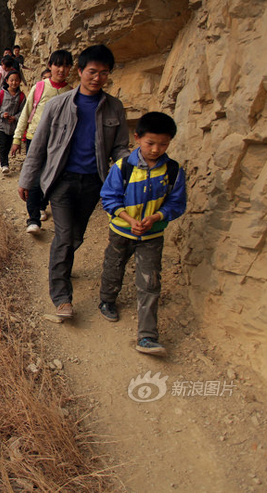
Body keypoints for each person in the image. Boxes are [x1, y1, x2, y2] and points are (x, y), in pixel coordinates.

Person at [17, 44, 129, 319]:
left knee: (76, 236)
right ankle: (62, 298)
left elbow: (120, 148)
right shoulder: (57, 105)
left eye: (104, 73)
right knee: (65, 237)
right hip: (62, 181)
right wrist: (27, 179)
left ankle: (60, 262)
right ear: (80, 71)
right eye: (92, 71)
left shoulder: (114, 108)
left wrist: (133, 170)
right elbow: (39, 146)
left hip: (94, 183)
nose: (97, 78)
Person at [98, 111, 186, 356]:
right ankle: (107, 299)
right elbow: (109, 198)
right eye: (150, 143)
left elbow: (177, 204)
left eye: (163, 144)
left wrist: (157, 217)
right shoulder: (123, 167)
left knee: (150, 282)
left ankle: (147, 336)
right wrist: (128, 219)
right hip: (121, 231)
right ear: (137, 138)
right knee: (114, 265)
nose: (156, 149)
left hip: (152, 235)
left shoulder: (173, 171)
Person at [10, 50, 73, 234]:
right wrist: (16, 139)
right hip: (35, 139)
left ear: (70, 68)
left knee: (51, 178)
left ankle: (41, 205)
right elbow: (26, 112)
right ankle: (33, 218)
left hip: (58, 145)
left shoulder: (71, 93)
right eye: (57, 65)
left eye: (65, 66)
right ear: (50, 66)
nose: (61, 69)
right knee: (34, 178)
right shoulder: (39, 87)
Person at [0, 68, 25, 174]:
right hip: (0, 124)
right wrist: (1, 114)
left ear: (20, 81)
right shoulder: (1, 93)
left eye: (16, 80)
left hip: (12, 126)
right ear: (7, 81)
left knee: (9, 144)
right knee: (3, 144)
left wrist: (15, 117)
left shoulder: (22, 96)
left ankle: (4, 161)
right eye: (12, 80)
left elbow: (23, 111)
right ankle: (4, 164)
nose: (14, 82)